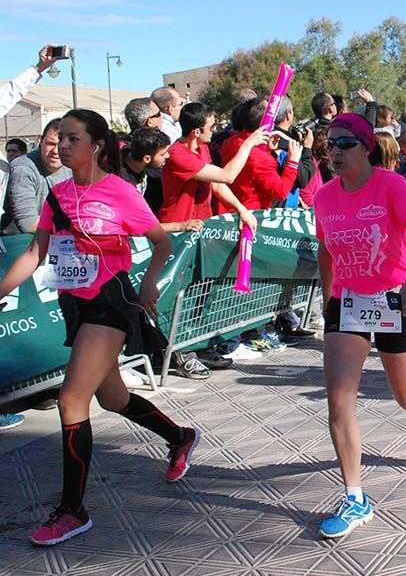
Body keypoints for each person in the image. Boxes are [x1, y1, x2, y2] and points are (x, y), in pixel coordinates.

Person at [0, 109, 198, 545]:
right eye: (59, 138)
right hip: (75, 303)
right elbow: (34, 253)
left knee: (71, 400)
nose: (62, 146)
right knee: (113, 398)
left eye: (73, 138)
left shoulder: (120, 192)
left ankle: (73, 510)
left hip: (110, 304)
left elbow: (161, 242)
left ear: (97, 146)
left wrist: (149, 283)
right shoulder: (57, 195)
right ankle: (180, 436)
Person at [313, 113, 406, 539]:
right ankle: (354, 497)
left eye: (345, 143)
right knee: (339, 400)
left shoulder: (391, 185)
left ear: (366, 147)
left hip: (398, 296)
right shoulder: (324, 196)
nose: (335, 152)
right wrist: (327, 297)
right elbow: (325, 251)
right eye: (330, 144)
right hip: (348, 302)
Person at [160, 102, 262, 231]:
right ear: (196, 132)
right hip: (179, 227)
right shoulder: (178, 155)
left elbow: (216, 184)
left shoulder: (202, 147)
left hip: (201, 224)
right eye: (211, 127)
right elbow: (227, 176)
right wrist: (247, 145)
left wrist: (242, 210)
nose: (214, 130)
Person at [2, 119, 72, 235]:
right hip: (20, 239)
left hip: (58, 236)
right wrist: (77, 224)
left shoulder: (72, 166)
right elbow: (28, 224)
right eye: (50, 144)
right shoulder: (23, 169)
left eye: (61, 145)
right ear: (41, 141)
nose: (55, 151)